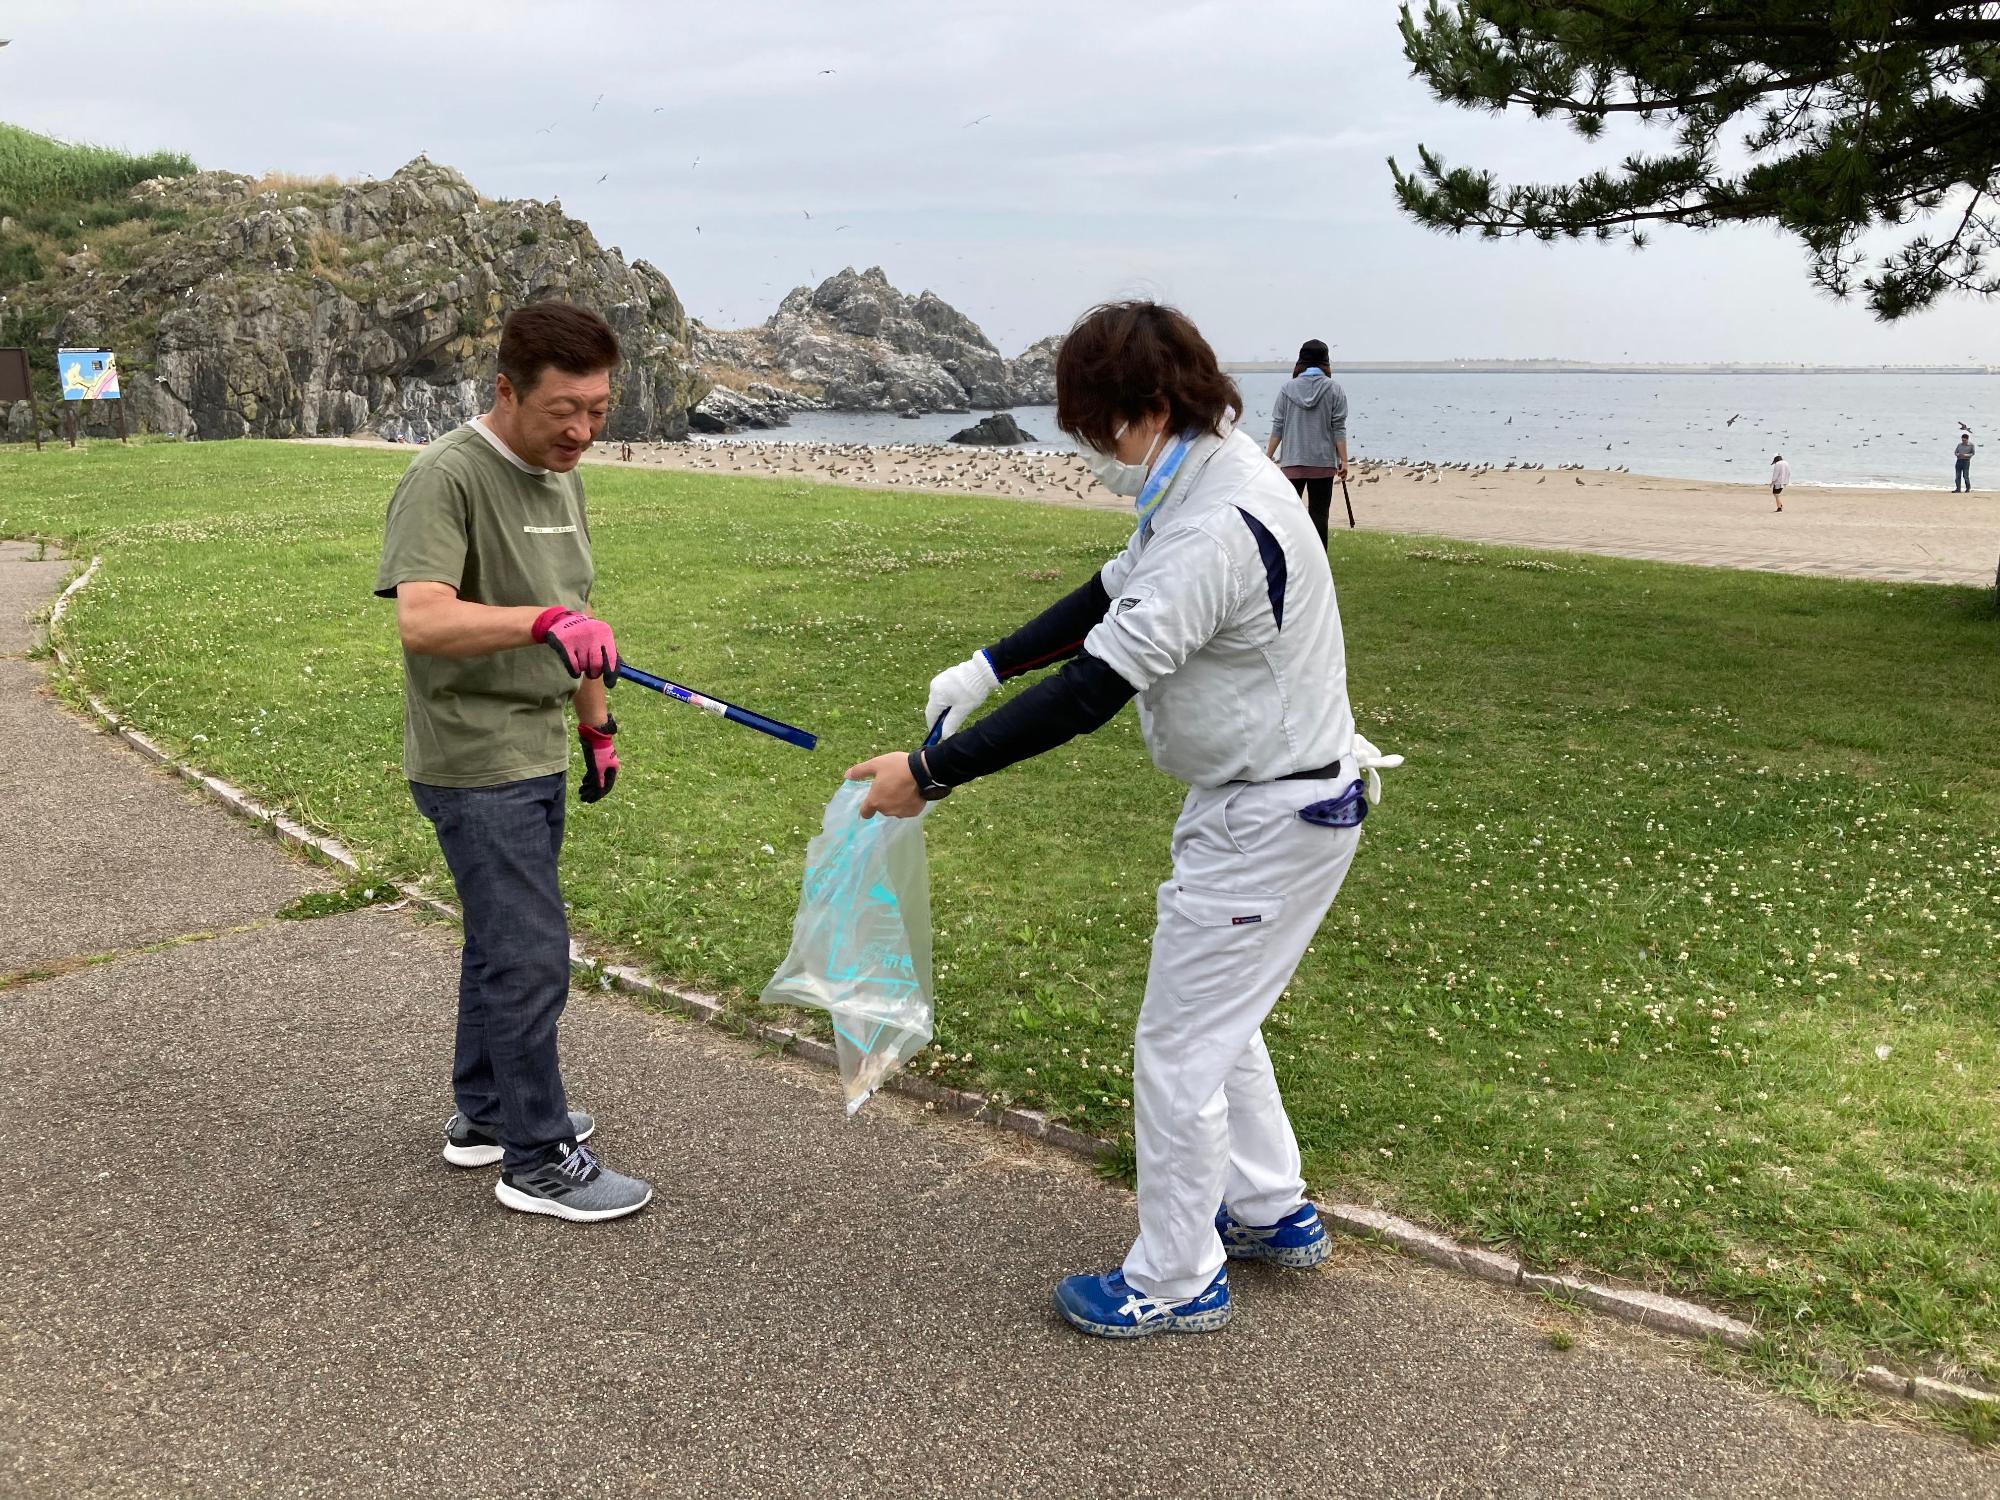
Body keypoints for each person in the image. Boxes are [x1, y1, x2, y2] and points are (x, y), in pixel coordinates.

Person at [845, 301, 1396, 1339]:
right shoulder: (1203, 476)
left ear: (1144, 409)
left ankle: (1178, 1276)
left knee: (1178, 1047)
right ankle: (1269, 1208)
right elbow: (1104, 594)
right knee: (1215, 1020)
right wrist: (987, 664)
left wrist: (930, 771)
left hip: (1269, 815)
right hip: (1281, 801)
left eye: (1095, 430)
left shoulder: (1215, 526)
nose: (1092, 452)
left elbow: (1095, 687)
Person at [375, 301, 652, 1223]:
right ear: (505, 390)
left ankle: (486, 1116)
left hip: (535, 746)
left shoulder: (561, 474)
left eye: (599, 409)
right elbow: (424, 618)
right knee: (532, 956)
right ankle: (536, 1159)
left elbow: (575, 620)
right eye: (562, 409)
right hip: (471, 756)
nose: (582, 429)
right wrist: (540, 623)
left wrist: (597, 727)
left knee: (501, 945)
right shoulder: (445, 476)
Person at [1263, 338, 1348, 546]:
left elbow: (1278, 426)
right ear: (1326, 362)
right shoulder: (1334, 389)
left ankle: (1289, 562)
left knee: (1289, 517)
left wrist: (1268, 457)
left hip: (1292, 462)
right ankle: (1319, 569)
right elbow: (1339, 427)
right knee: (1319, 516)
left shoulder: (1287, 389)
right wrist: (1344, 460)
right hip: (1323, 463)